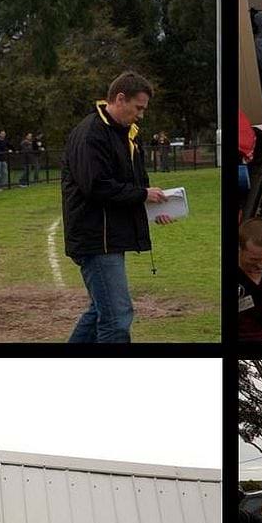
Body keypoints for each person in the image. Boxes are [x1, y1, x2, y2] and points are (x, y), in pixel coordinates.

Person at [62, 72, 173, 343]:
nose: (141, 115)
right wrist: (142, 194)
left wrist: (152, 206)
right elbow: (97, 186)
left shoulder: (125, 134)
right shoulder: (91, 134)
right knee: (116, 318)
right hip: (96, 239)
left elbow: (132, 184)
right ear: (120, 99)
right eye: (139, 108)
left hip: (110, 236)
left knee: (100, 311)